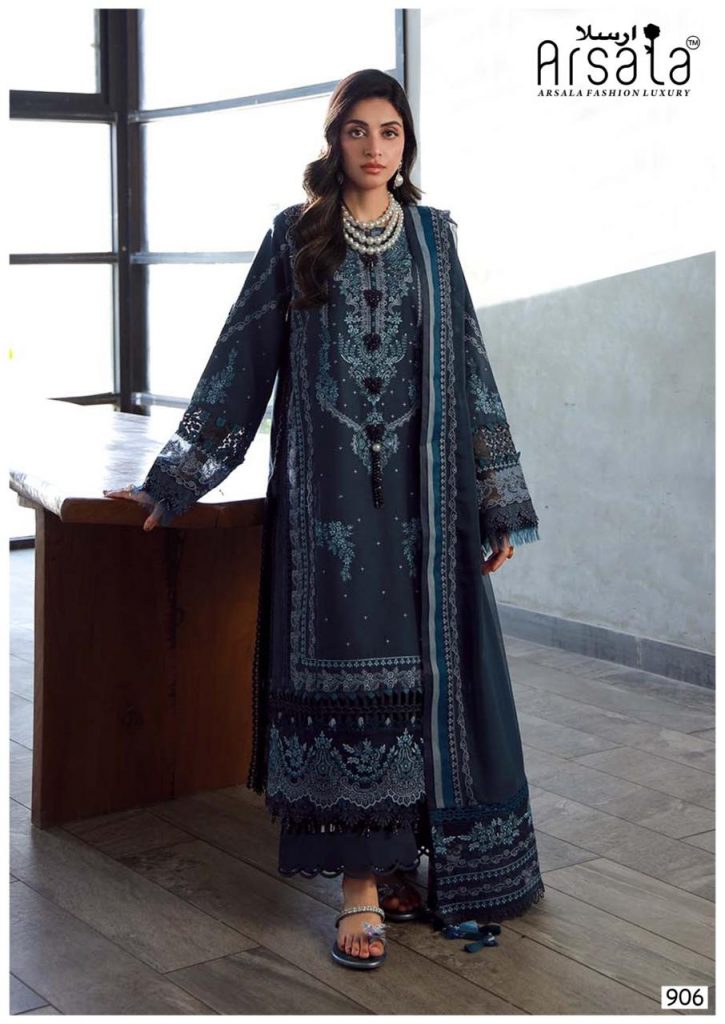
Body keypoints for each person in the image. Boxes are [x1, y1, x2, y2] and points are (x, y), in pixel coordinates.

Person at [104, 68, 544, 971]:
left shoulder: (433, 239)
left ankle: (409, 860)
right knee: (345, 678)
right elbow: (241, 361)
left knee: (426, 679)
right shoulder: (295, 235)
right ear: (333, 140)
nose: (373, 147)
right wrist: (173, 480)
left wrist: (495, 495)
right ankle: (357, 887)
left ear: (406, 143)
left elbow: (467, 365)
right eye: (356, 131)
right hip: (327, 509)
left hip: (426, 506)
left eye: (389, 132)